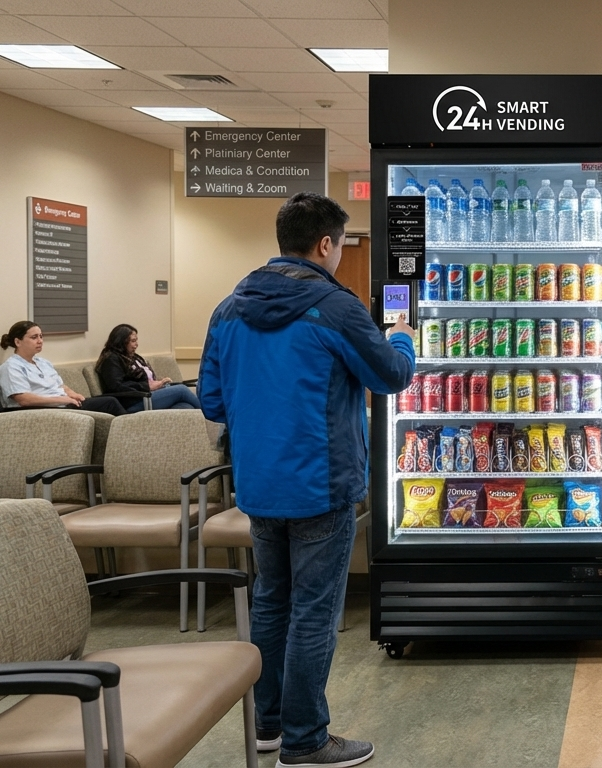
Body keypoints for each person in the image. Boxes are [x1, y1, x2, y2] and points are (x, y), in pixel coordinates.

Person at [200, 192, 415, 768]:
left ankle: (268, 725)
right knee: (315, 610)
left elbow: (213, 403)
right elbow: (392, 376)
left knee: (272, 600)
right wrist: (400, 331)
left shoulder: (228, 309)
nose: (341, 255)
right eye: (342, 244)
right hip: (321, 483)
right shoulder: (333, 306)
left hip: (260, 486)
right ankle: (306, 739)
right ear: (325, 244)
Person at [0, 321, 126, 416]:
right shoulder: (11, 367)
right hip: (41, 411)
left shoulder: (43, 362)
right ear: (18, 342)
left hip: (63, 404)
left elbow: (61, 386)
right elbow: (24, 400)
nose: (40, 341)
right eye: (34, 337)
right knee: (109, 404)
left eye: (41, 336)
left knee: (109, 401)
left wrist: (73, 394)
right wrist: (62, 399)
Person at [95, 323, 201, 412]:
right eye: (133, 341)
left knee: (184, 407)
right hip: (135, 401)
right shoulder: (111, 359)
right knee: (181, 390)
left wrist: (158, 383)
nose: (136, 344)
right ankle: (214, 418)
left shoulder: (132, 357)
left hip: (148, 395)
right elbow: (116, 386)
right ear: (121, 342)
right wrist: (147, 386)